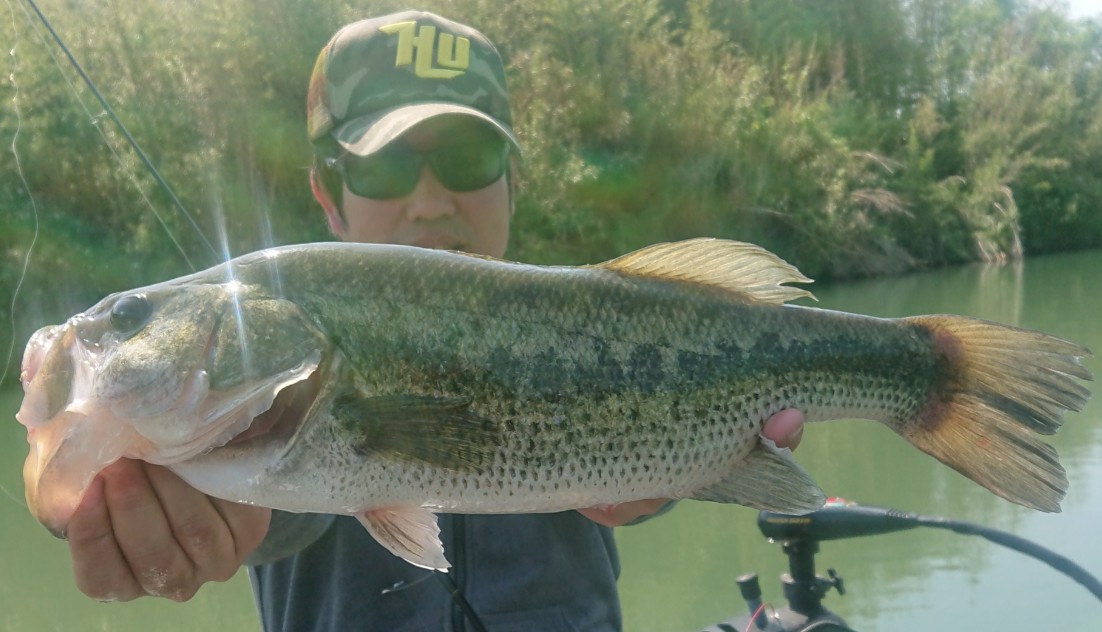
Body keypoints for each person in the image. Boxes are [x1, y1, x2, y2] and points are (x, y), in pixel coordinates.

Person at [66, 10, 805, 630]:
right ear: (328, 194)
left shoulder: (600, 322)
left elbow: (643, 462)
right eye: (385, 166)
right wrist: (102, 494)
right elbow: (245, 506)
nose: (428, 200)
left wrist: (682, 476)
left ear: (512, 179)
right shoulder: (255, 374)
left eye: (467, 156)